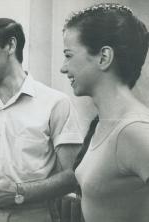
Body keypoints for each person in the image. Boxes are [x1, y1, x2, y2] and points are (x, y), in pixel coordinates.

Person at [0, 18, 83, 222]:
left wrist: (17, 192)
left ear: (10, 45)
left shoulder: (56, 103)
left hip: (35, 215)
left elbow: (72, 176)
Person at [61, 3, 149, 222]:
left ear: (103, 57)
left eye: (69, 55)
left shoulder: (134, 130)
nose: (63, 67)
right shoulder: (103, 123)